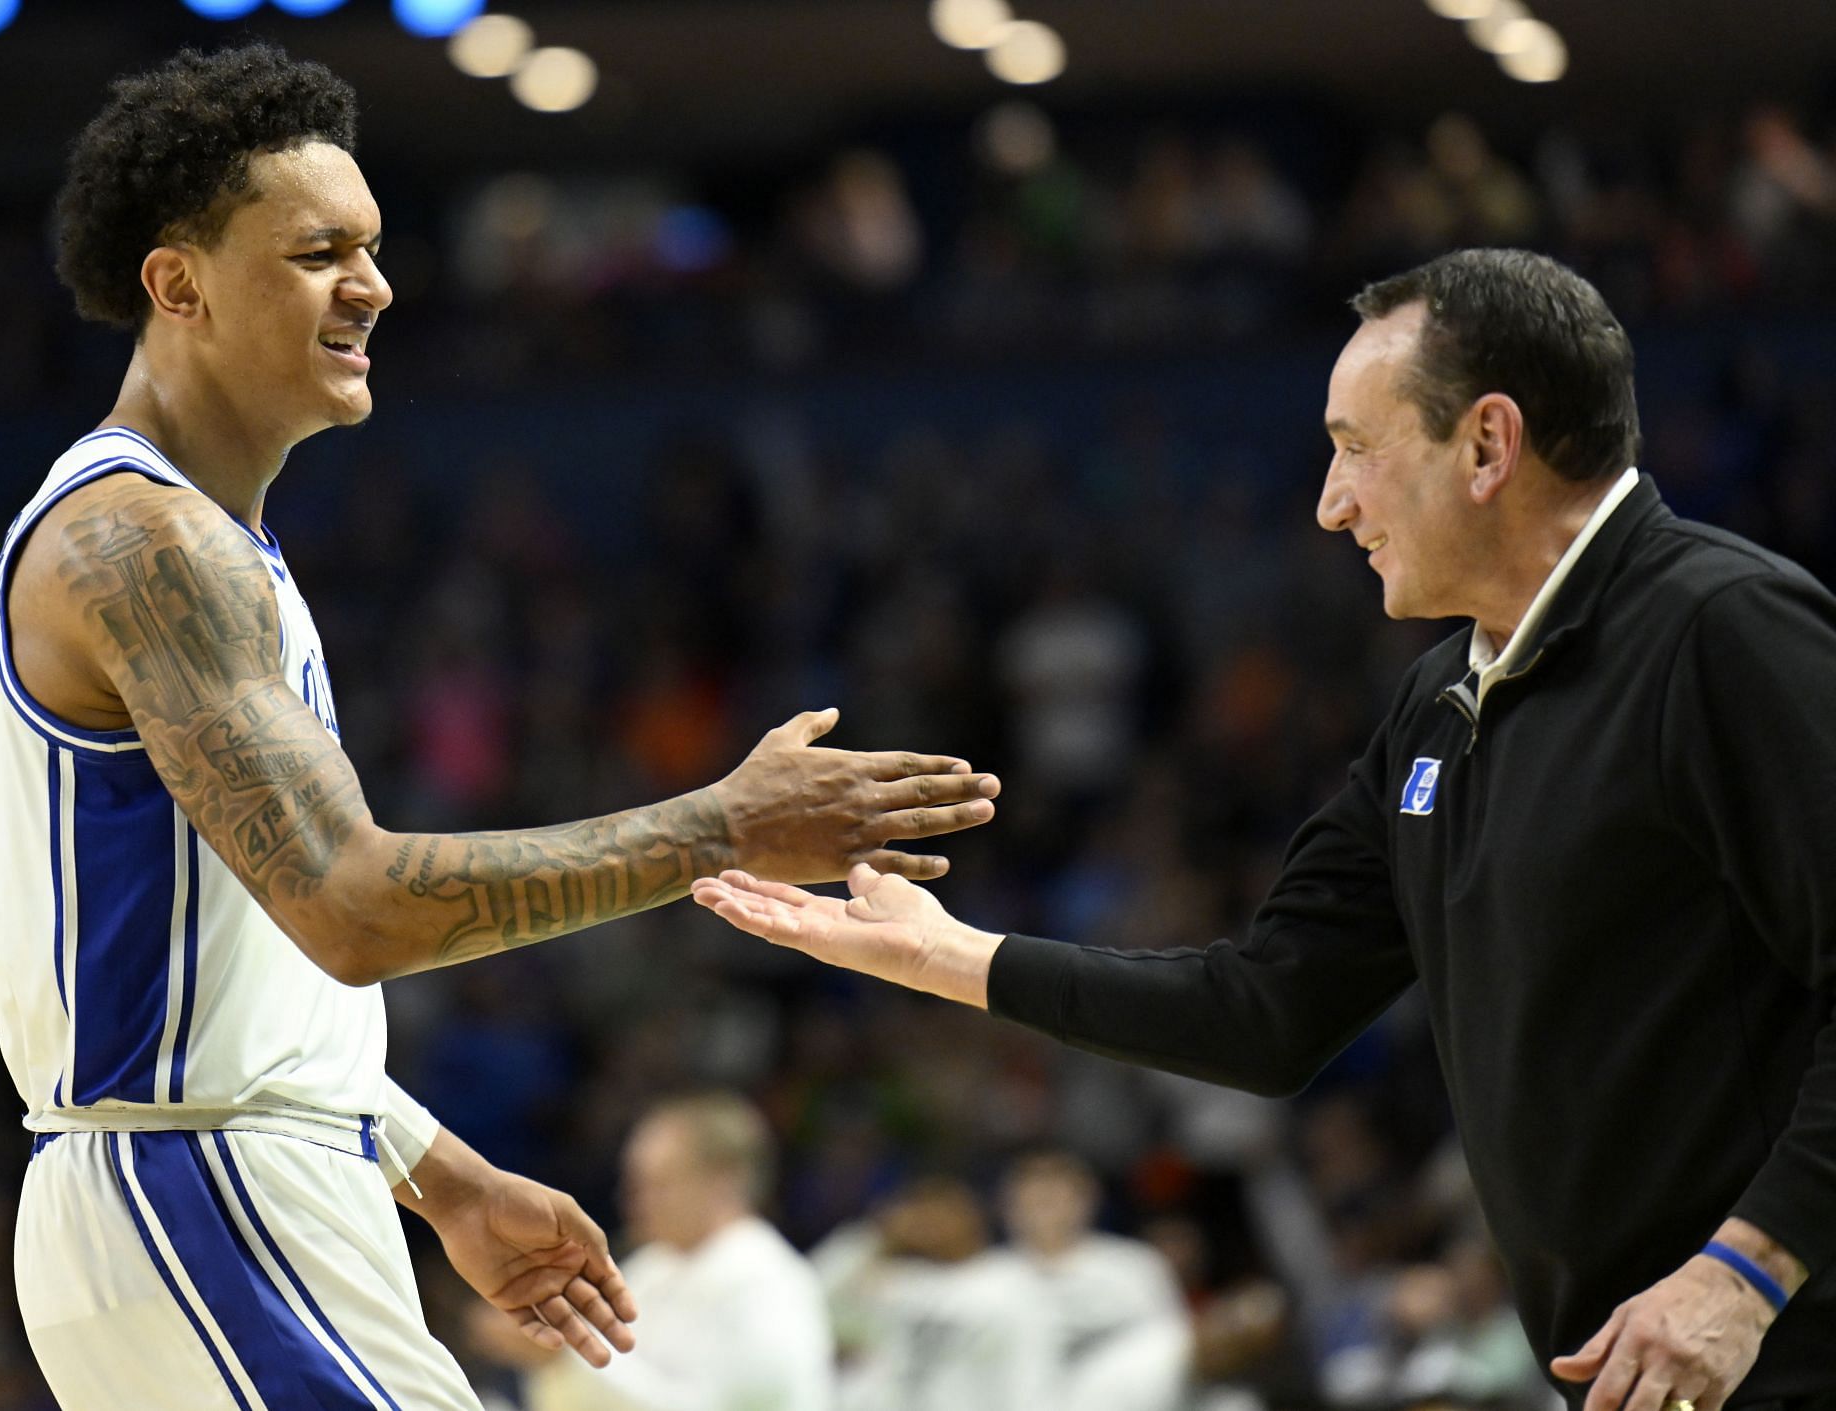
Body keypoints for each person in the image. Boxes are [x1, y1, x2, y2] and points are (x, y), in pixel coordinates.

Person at [0, 43, 998, 1411]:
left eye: (375, 246)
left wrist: (435, 1169)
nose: (375, 285)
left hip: (229, 1180)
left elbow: (240, 972)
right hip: (202, 1194)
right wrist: (725, 825)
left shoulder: (206, 542)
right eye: (318, 251)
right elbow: (352, 906)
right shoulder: (141, 538)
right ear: (179, 283)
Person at [696, 247, 1836, 1410]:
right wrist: (949, 955)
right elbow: (1268, 1013)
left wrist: (1748, 1269)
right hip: (1644, 1378)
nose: (1331, 503)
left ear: (1488, 444)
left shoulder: (1725, 632)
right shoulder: (1440, 698)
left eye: (1356, 449)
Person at [498, 1092, 833, 1411]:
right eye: (633, 1184)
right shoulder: (651, 1268)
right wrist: (549, 1350)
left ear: (723, 1181)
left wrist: (565, 1360)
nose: (632, 1200)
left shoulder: (768, 1284)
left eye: (657, 1184)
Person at [810, 1176, 1064, 1411]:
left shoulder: (1007, 1280)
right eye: (917, 1212)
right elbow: (815, 1311)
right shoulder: (893, 1276)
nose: (928, 1224)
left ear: (970, 1219)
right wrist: (879, 1239)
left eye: (941, 1213)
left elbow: (1028, 1373)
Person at [985, 1150, 1192, 1411]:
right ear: (1006, 1206)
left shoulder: (1135, 1267)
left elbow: (1173, 1352)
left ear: (1088, 1200)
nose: (1045, 1204)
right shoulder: (981, 1279)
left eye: (1056, 1194)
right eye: (1034, 1195)